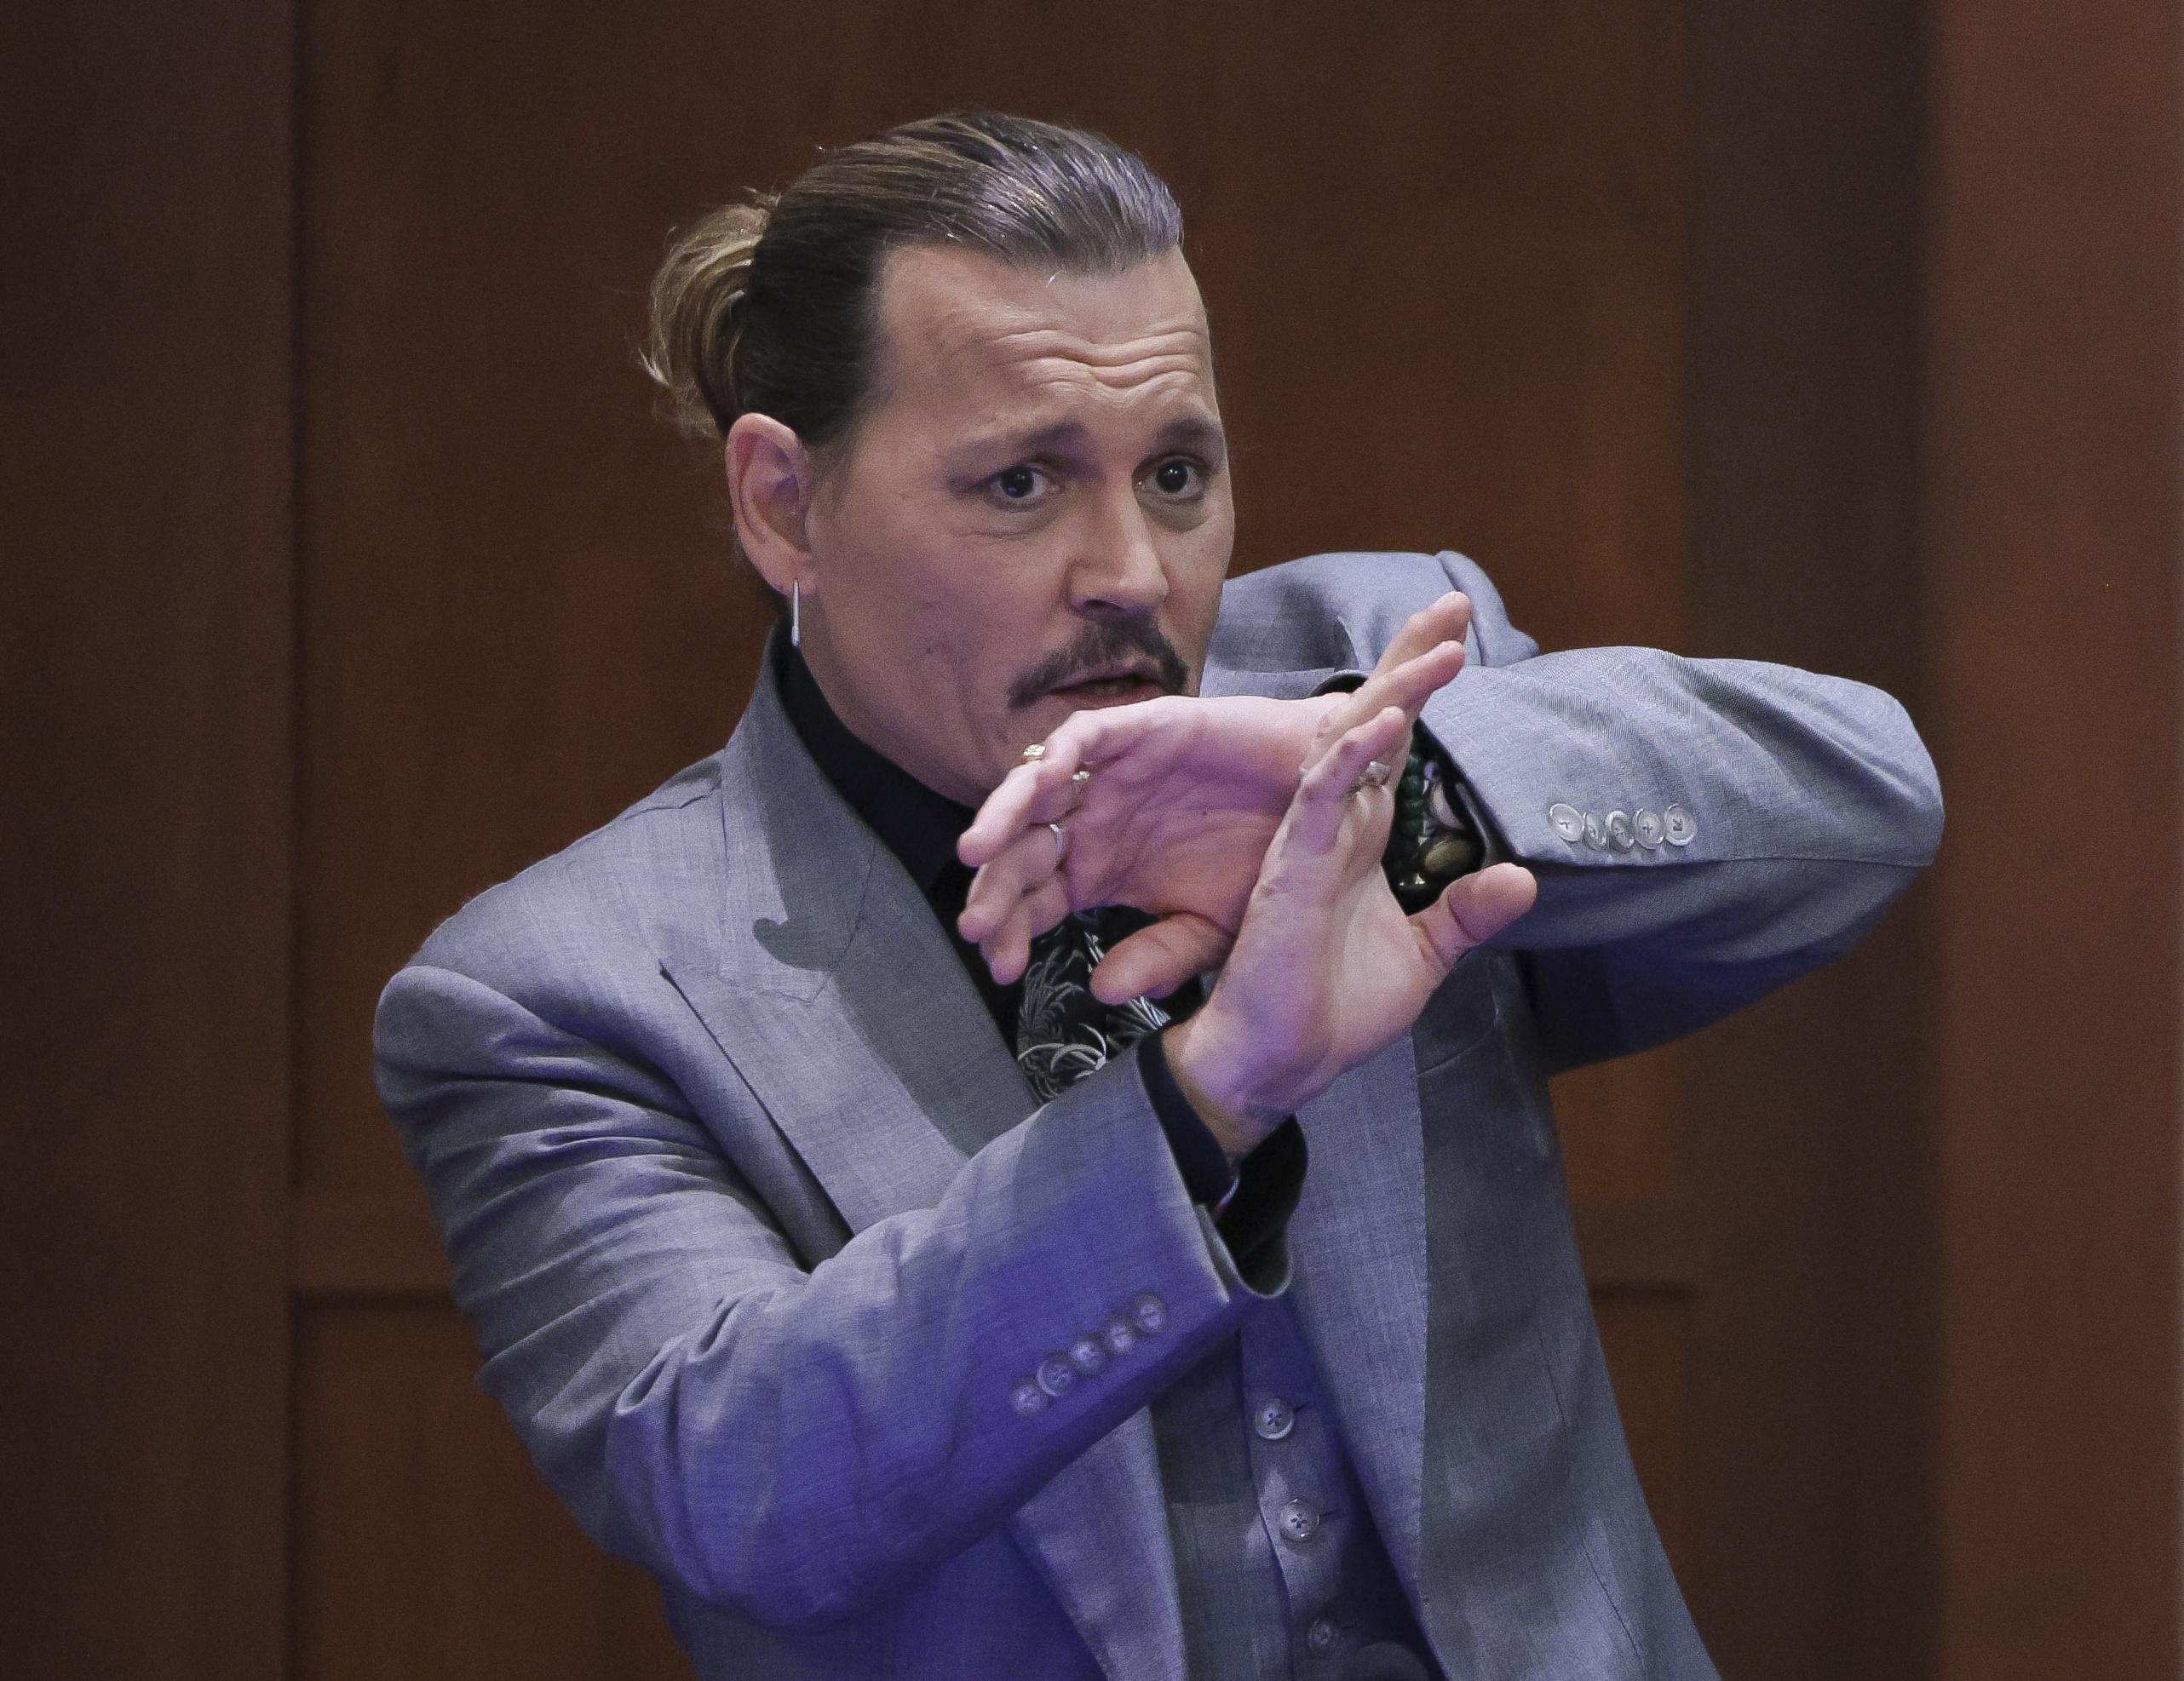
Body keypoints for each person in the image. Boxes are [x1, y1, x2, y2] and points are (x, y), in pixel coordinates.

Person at [373, 112, 1942, 1681]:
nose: (1131, 567)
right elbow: (744, 1484)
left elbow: (1866, 802)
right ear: (784, 501)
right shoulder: (566, 987)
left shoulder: (1370, 673)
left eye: (1177, 473)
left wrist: (1391, 801)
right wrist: (1200, 1107)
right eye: (1021, 483)